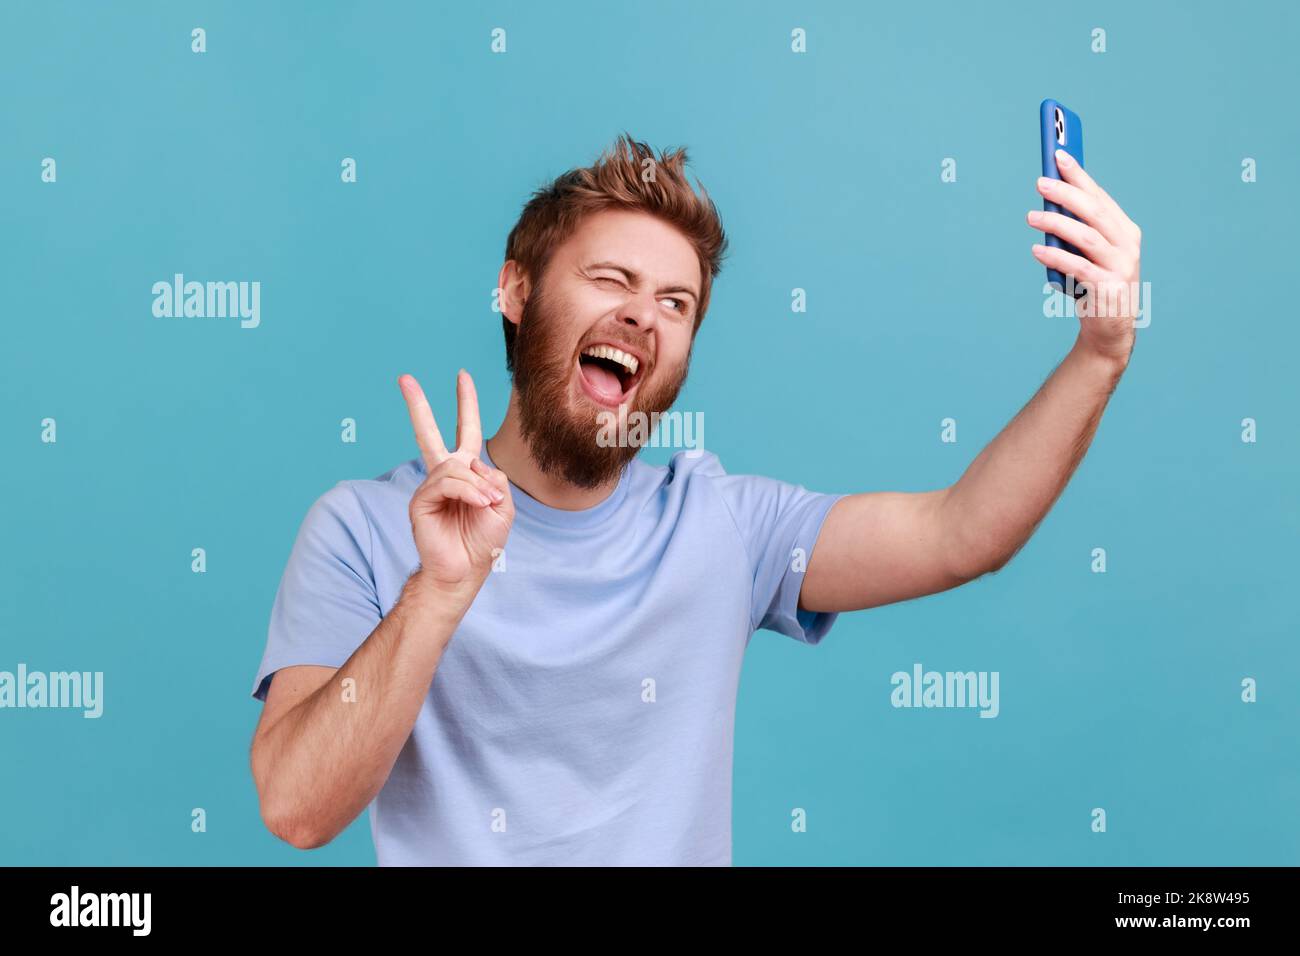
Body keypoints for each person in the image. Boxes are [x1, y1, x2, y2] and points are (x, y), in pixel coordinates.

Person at [248, 133, 1142, 865]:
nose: (644, 316)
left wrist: (1098, 354)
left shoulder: (723, 527)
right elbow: (297, 809)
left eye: (676, 303)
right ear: (515, 291)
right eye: (611, 281)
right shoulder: (363, 529)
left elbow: (962, 533)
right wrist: (437, 594)